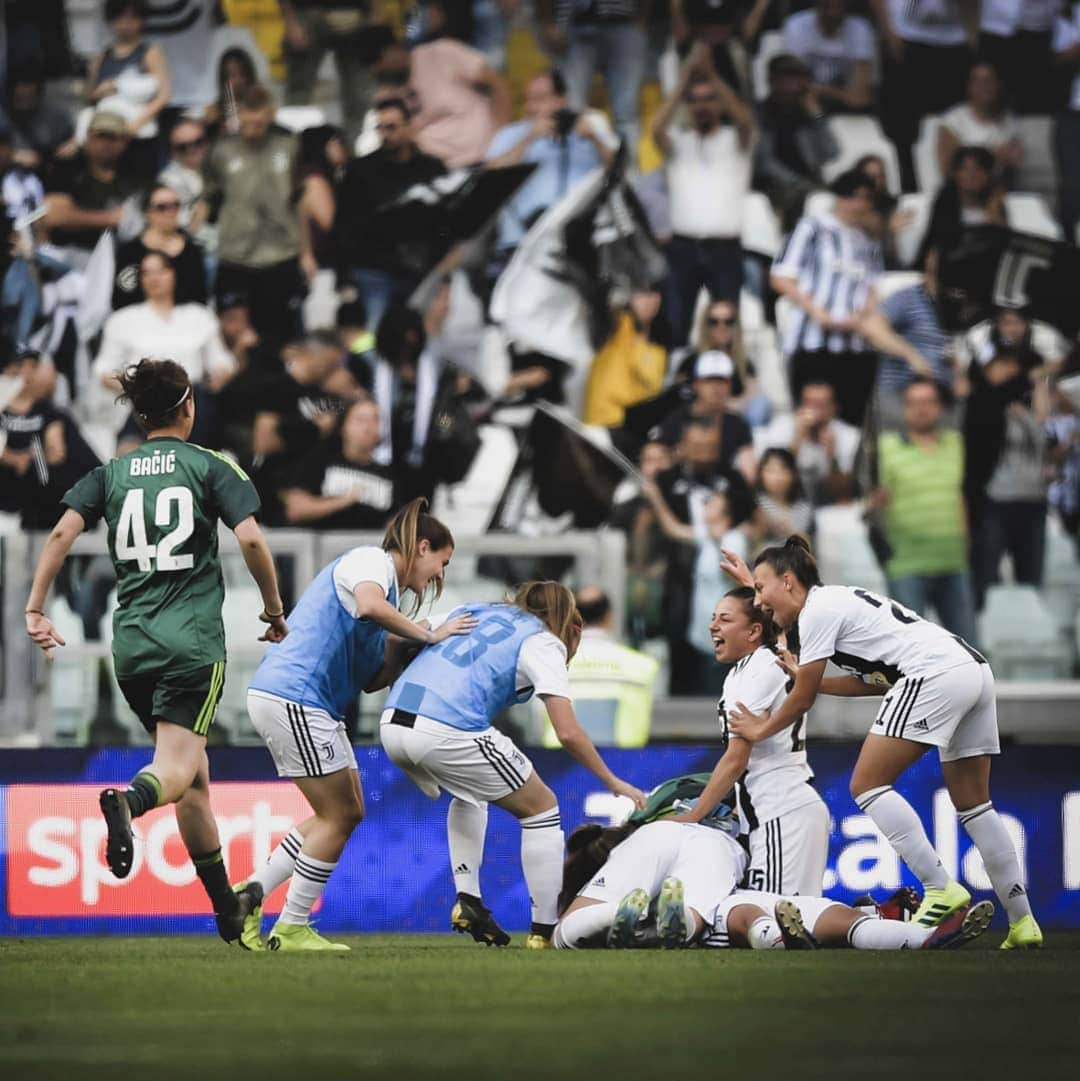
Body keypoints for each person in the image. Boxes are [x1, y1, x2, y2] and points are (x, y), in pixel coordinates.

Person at [23, 357, 288, 946]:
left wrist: (37, 607)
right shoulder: (209, 466)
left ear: (142, 415)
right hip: (190, 643)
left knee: (192, 776)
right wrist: (273, 611)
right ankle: (129, 802)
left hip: (133, 647)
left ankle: (226, 910)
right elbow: (249, 537)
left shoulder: (113, 472)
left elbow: (63, 532)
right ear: (189, 406)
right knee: (172, 769)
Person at [722, 535, 1044, 950]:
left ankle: (939, 887)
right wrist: (804, 669)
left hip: (934, 673)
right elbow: (870, 682)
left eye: (763, 590)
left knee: (867, 783)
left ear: (787, 581)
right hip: (972, 670)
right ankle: (1023, 922)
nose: (760, 603)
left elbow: (802, 697)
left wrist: (760, 729)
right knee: (975, 804)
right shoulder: (833, 606)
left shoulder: (818, 610)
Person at [237, 498, 474, 951]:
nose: (440, 575)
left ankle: (250, 894)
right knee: (341, 814)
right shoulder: (373, 563)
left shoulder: (389, 599)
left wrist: (414, 648)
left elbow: (372, 679)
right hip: (296, 696)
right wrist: (427, 633)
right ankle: (291, 927)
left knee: (343, 812)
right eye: (441, 562)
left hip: (307, 703)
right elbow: (367, 606)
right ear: (421, 546)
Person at [380, 580, 647, 949]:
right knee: (542, 809)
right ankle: (544, 930)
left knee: (470, 793)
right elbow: (567, 732)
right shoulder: (544, 640)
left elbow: (395, 638)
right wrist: (613, 781)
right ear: (572, 625)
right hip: (445, 727)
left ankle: (469, 901)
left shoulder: (471, 610)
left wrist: (390, 683)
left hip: (393, 720)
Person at [675, 587, 829, 896]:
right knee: (797, 922)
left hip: (780, 810)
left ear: (754, 631)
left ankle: (886, 925)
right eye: (713, 617)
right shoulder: (761, 661)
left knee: (767, 924)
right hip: (782, 809)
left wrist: (693, 816)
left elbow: (736, 758)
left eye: (725, 619)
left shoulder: (759, 668)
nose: (712, 626)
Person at [652, 43, 755, 348]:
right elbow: (656, 127)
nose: (703, 106)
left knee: (725, 328)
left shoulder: (736, 141)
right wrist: (685, 82)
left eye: (710, 100)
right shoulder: (679, 143)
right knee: (675, 324)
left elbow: (745, 120)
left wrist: (711, 76)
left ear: (721, 103)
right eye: (695, 102)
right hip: (682, 247)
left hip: (725, 248)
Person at [869, 376, 978, 645]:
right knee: (912, 651)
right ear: (904, 408)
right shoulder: (885, 448)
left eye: (928, 402)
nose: (921, 408)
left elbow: (962, 496)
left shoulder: (956, 443)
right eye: (914, 402)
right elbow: (870, 501)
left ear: (940, 407)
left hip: (954, 562)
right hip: (906, 564)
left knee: (969, 652)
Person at [770, 168, 883, 426]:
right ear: (841, 198)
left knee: (852, 422)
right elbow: (781, 277)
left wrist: (860, 316)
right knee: (810, 419)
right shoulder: (813, 229)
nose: (861, 205)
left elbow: (875, 286)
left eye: (867, 199)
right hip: (813, 342)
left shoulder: (869, 242)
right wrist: (817, 311)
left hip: (856, 345)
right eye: (857, 197)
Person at [93, 251, 234, 446]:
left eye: (161, 271)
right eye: (147, 273)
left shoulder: (199, 316)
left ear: (173, 274)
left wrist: (221, 374)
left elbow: (221, 361)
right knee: (129, 450)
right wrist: (137, 388)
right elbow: (104, 370)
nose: (154, 278)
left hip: (191, 403)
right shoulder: (122, 320)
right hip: (143, 404)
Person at [203, 85, 305, 351]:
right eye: (247, 117)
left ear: (270, 114)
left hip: (281, 254)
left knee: (281, 337)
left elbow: (300, 200)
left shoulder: (290, 146)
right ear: (240, 114)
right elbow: (210, 194)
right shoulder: (222, 150)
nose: (252, 124)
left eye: (259, 118)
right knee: (234, 335)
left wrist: (307, 252)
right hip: (235, 256)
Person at [484, 69, 615, 272]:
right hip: (520, 248)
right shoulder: (510, 135)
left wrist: (595, 139)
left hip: (573, 249)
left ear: (561, 101)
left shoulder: (585, 136)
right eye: (527, 100)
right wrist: (529, 138)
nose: (530, 107)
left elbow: (616, 174)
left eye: (539, 99)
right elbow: (488, 177)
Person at [555, 812, 747, 950]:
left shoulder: (663, 794)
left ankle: (614, 914)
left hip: (658, 832)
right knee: (691, 913)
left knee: (566, 929)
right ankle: (661, 921)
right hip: (717, 843)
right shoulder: (743, 791)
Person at [336, 97, 446, 330]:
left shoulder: (431, 168)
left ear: (409, 127)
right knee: (378, 333)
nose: (385, 134)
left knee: (426, 333)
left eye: (392, 127)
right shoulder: (360, 171)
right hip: (375, 269)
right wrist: (344, 276)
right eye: (380, 128)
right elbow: (345, 225)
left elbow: (443, 219)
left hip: (421, 269)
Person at [543, 586, 659, 748]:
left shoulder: (550, 664)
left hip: (559, 762)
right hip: (626, 763)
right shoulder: (642, 665)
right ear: (608, 617)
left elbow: (535, 722)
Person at [706, 890, 994, 951]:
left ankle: (926, 937)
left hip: (779, 899)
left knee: (847, 919)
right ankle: (780, 939)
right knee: (742, 911)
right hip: (721, 904)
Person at [407, 0, 511, 168]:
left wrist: (500, 135)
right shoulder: (423, 52)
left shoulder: (452, 49)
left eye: (435, 11)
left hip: (477, 153)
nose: (430, 15)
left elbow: (497, 86)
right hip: (439, 160)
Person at [542, 0, 647, 151]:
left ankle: (627, 168)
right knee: (572, 109)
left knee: (626, 114)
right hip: (574, 23)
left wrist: (641, 18)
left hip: (623, 20)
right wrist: (548, 21)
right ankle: (574, 169)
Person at [278, 0, 388, 143]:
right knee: (299, 93)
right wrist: (291, 21)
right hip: (308, 12)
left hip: (354, 13)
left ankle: (355, 149)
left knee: (359, 93)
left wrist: (376, 10)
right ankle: (293, 146)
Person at [85, 0, 171, 182]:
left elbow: (164, 96)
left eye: (132, 18)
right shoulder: (103, 56)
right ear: (111, 21)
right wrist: (99, 92)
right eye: (120, 18)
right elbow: (90, 97)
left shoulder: (149, 52)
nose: (126, 24)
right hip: (109, 137)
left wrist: (135, 125)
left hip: (138, 135)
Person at [280, 397, 395, 530]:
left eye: (375, 420)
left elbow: (395, 520)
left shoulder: (389, 474)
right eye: (360, 420)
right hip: (323, 546)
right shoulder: (320, 461)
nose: (368, 427)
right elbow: (295, 510)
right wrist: (344, 501)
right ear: (343, 426)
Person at [754, 52, 839, 230]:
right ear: (773, 80)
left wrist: (816, 115)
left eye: (798, 79)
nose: (794, 85)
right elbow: (765, 162)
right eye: (788, 79)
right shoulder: (760, 114)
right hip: (773, 186)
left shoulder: (807, 114)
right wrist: (799, 183)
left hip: (810, 185)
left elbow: (832, 152)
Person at [43, 110, 141, 261]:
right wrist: (113, 218)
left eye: (113, 137)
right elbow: (53, 216)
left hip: (122, 256)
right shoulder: (66, 169)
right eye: (101, 136)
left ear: (125, 142)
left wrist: (78, 217)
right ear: (88, 137)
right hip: (71, 254)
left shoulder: (135, 174)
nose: (106, 143)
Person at [755, 381, 860, 507]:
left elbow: (844, 495)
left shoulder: (849, 436)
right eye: (810, 404)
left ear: (834, 408)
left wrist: (832, 457)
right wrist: (797, 440)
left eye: (821, 405)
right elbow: (769, 482)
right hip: (788, 505)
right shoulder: (782, 427)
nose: (815, 412)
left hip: (829, 506)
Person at [113, 183, 207, 308]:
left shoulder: (192, 252)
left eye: (175, 205)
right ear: (147, 212)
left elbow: (199, 301)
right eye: (162, 207)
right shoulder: (130, 252)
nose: (170, 212)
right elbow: (122, 298)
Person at [583, 289, 667, 428]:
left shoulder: (659, 352)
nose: (648, 301)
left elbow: (652, 391)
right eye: (641, 294)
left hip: (627, 429)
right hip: (597, 423)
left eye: (653, 295)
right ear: (631, 298)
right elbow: (603, 307)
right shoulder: (619, 325)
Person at [781, 0, 876, 114]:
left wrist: (824, 92)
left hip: (849, 112)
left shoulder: (861, 29)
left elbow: (861, 97)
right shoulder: (796, 26)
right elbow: (791, 87)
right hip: (801, 108)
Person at [936, 61, 1023, 183]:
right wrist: (992, 160)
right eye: (977, 81)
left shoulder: (1010, 120)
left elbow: (1015, 167)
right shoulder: (953, 121)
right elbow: (948, 170)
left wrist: (1012, 160)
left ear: (999, 84)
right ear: (969, 87)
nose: (984, 86)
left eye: (989, 80)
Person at [1054, 6, 1080, 243]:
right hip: (1075, 113)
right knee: (1073, 188)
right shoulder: (1071, 13)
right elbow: (1057, 59)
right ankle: (1070, 249)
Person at [755, 447, 814, 545]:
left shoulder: (804, 508)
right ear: (761, 474)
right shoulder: (756, 504)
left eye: (783, 470)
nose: (777, 477)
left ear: (793, 474)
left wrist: (788, 530)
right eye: (771, 470)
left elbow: (807, 545)